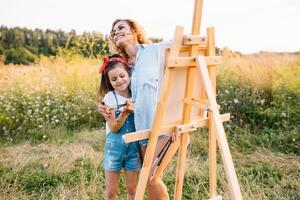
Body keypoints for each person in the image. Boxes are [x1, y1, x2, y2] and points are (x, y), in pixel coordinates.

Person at [99, 19, 170, 200]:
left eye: (121, 27)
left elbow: (179, 49)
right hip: (140, 131)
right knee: (149, 179)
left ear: (134, 31)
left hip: (161, 126)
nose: (117, 32)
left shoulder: (154, 51)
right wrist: (105, 106)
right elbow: (115, 85)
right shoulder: (124, 65)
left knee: (152, 178)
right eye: (114, 32)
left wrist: (184, 39)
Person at [98, 54, 141, 200]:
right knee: (111, 192)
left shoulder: (137, 94)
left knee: (133, 190)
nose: (119, 81)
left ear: (128, 74)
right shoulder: (109, 98)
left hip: (133, 150)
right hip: (114, 149)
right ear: (109, 82)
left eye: (122, 76)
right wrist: (125, 113)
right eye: (114, 79)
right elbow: (114, 128)